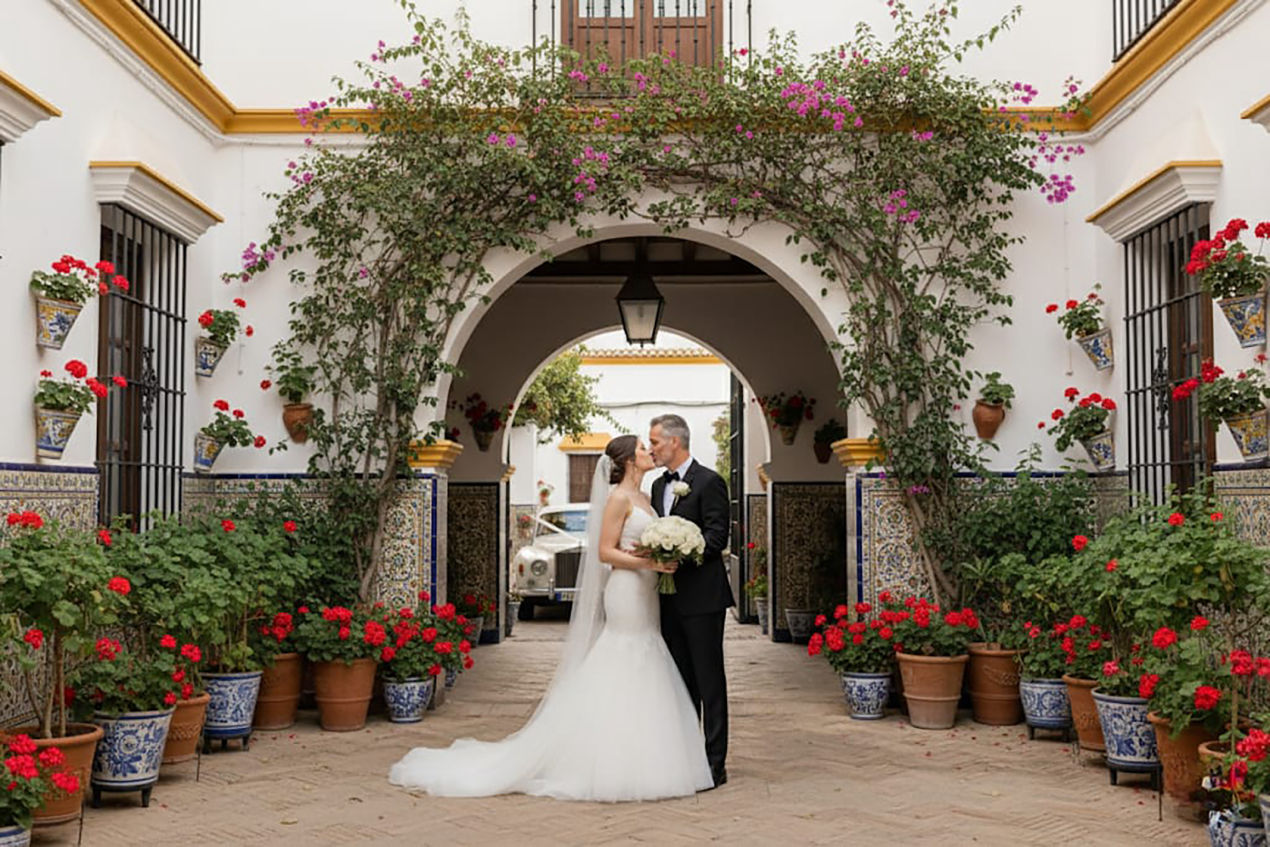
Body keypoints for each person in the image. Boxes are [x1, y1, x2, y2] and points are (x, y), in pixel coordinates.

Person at [388, 435, 713, 801]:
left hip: (648, 591)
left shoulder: (647, 496)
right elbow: (605, 552)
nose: (649, 452)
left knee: (648, 653)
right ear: (626, 461)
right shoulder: (619, 498)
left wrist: (658, 556)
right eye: (642, 448)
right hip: (626, 591)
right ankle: (606, 760)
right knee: (626, 654)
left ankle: (647, 753)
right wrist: (648, 562)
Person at [649, 413, 734, 789]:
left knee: (709, 681)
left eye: (655, 442)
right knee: (680, 683)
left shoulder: (710, 482)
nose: (651, 448)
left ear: (675, 442)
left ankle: (715, 765)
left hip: (703, 598)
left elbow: (717, 539)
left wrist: (680, 555)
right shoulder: (655, 486)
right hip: (667, 601)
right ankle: (685, 758)